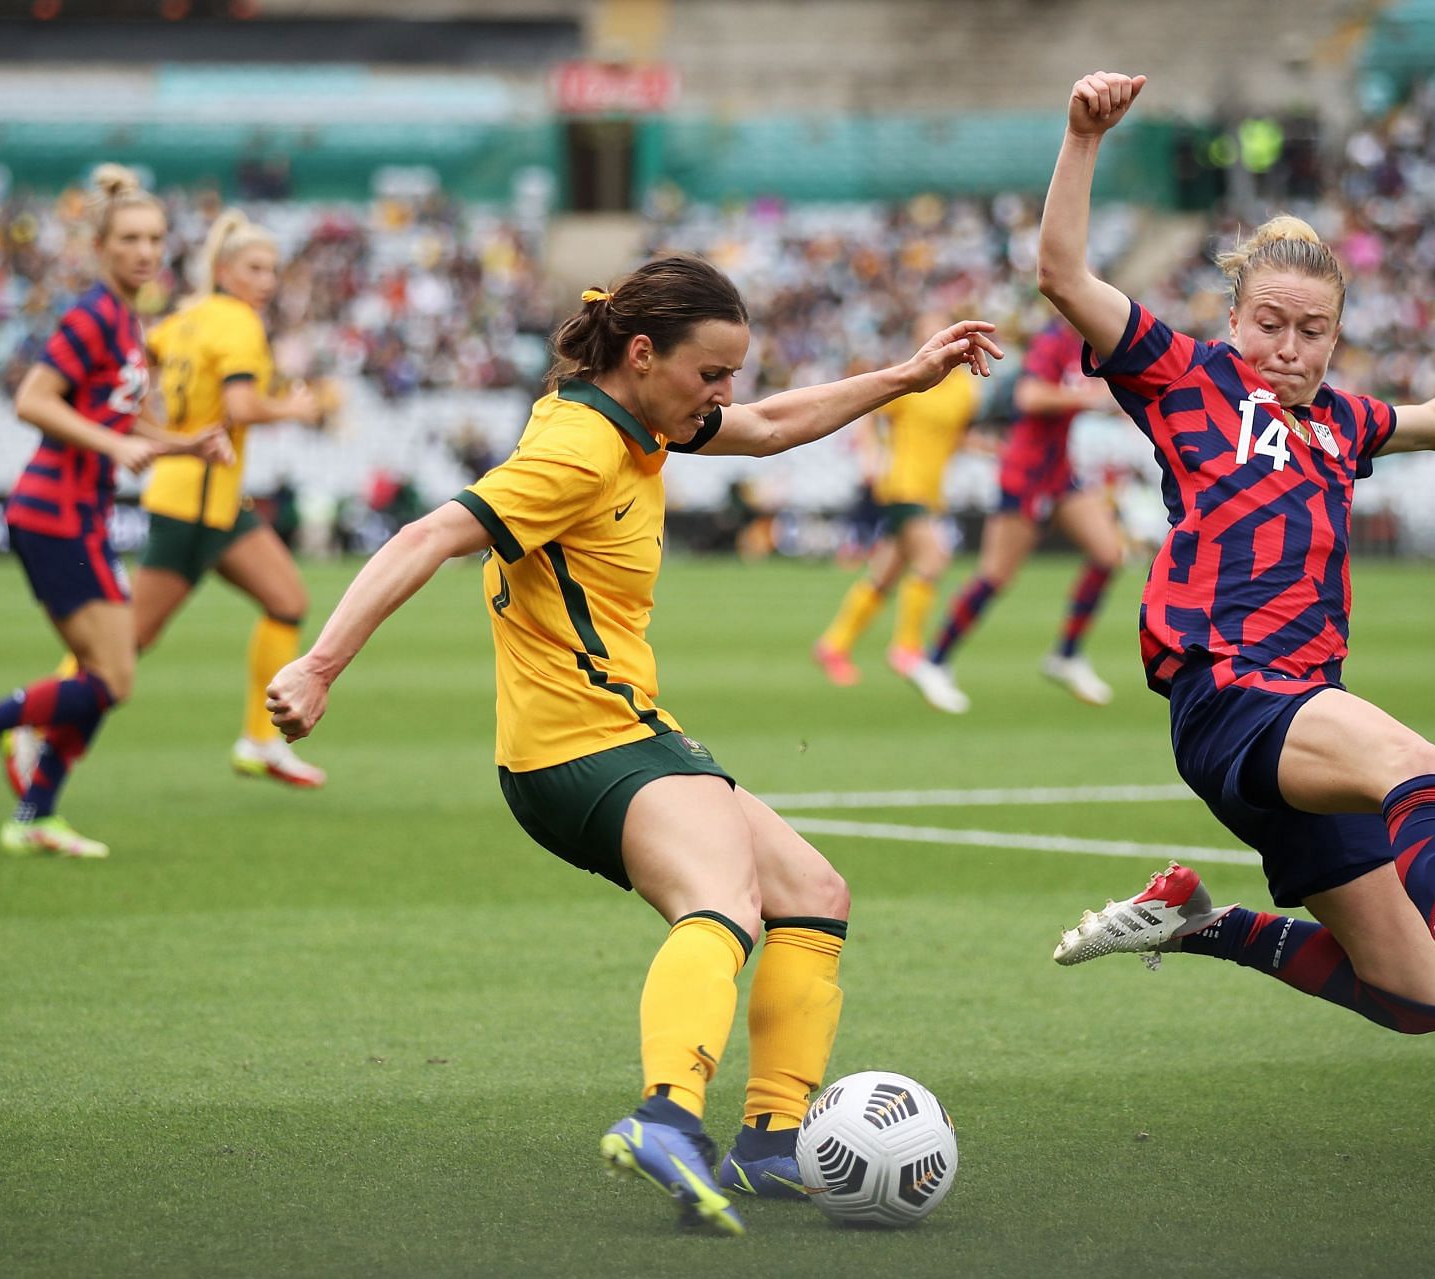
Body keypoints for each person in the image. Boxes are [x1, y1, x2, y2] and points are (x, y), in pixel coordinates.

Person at [262, 257, 999, 1234]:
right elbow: (427, 535)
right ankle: (666, 1118)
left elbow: (773, 427)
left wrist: (902, 378)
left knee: (813, 896)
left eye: (731, 374)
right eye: (711, 373)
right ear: (643, 353)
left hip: (625, 732)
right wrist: (319, 665)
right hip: (581, 744)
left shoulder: (634, 417)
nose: (725, 395)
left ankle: (772, 1147)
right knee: (721, 901)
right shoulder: (577, 449)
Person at [1041, 73, 1435, 1081]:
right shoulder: (1188, 378)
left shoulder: (1341, 423)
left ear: (1337, 334)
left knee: (1410, 996)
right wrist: (1081, 136)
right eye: (1269, 323)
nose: (1287, 348)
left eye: (1312, 330)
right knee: (1417, 763)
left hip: (1297, 717)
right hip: (1234, 693)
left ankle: (1199, 923)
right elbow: (1063, 273)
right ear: (1234, 317)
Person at [0, 164, 229, 858]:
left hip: (75, 514)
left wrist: (185, 445)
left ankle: (33, 813)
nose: (146, 251)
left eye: (154, 239)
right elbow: (33, 398)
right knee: (112, 676)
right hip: (54, 511)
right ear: (103, 247)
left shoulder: (127, 321)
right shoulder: (91, 315)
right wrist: (118, 446)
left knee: (102, 678)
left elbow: (121, 417)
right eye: (131, 239)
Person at [132, 209, 331, 786]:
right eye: (255, 268)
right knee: (123, 647)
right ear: (225, 269)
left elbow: (140, 357)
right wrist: (293, 407)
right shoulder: (239, 323)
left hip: (212, 499)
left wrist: (156, 424)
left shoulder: (187, 317)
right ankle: (33, 725)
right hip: (193, 501)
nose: (267, 280)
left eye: (272, 269)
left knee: (287, 599)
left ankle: (261, 741)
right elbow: (242, 407)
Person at [904, 311, 1125, 714]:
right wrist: (1087, 399)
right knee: (995, 575)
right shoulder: (1052, 342)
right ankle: (933, 661)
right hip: (1026, 473)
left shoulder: (1084, 345)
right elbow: (1030, 396)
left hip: (1059, 472)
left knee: (1109, 553)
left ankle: (1067, 654)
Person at [812, 316, 981, 685]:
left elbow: (956, 437)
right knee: (934, 558)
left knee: (885, 574)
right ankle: (906, 647)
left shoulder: (966, 390)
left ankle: (833, 644)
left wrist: (994, 450)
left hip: (931, 490)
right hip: (903, 485)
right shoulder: (913, 376)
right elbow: (870, 414)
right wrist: (870, 456)